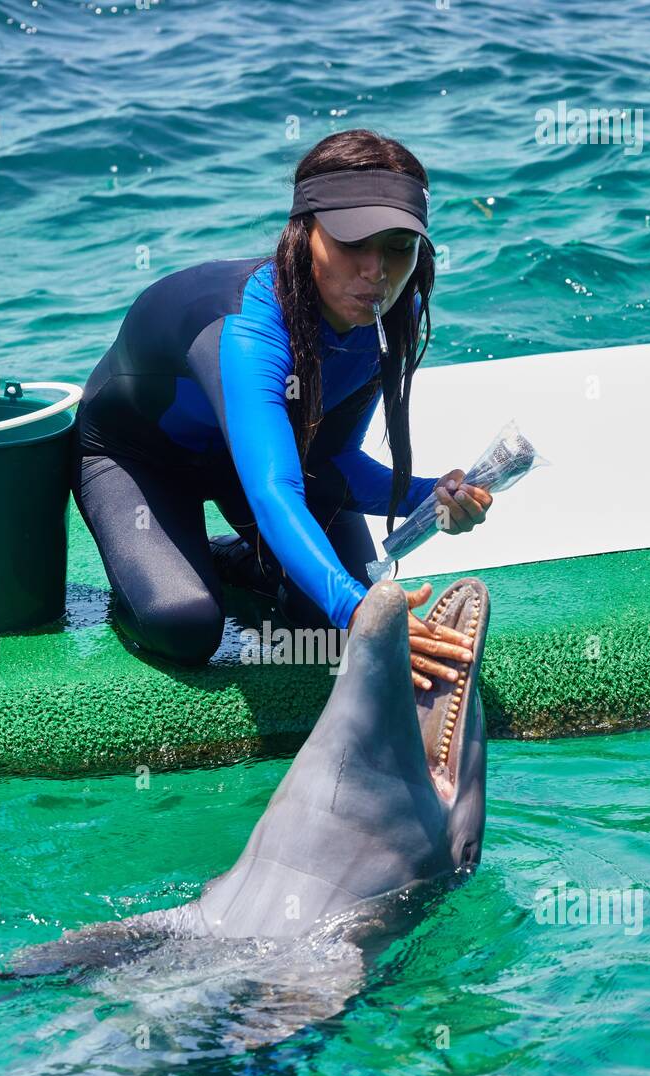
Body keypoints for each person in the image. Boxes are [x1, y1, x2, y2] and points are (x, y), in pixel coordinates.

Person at [72, 128, 493, 690]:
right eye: (352, 244)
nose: (377, 271)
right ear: (305, 233)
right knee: (186, 626)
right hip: (136, 460)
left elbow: (333, 461)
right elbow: (275, 491)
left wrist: (430, 495)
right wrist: (355, 607)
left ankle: (235, 559)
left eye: (398, 247)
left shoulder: (392, 316)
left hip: (260, 461)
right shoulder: (249, 330)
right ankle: (173, 565)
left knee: (327, 625)